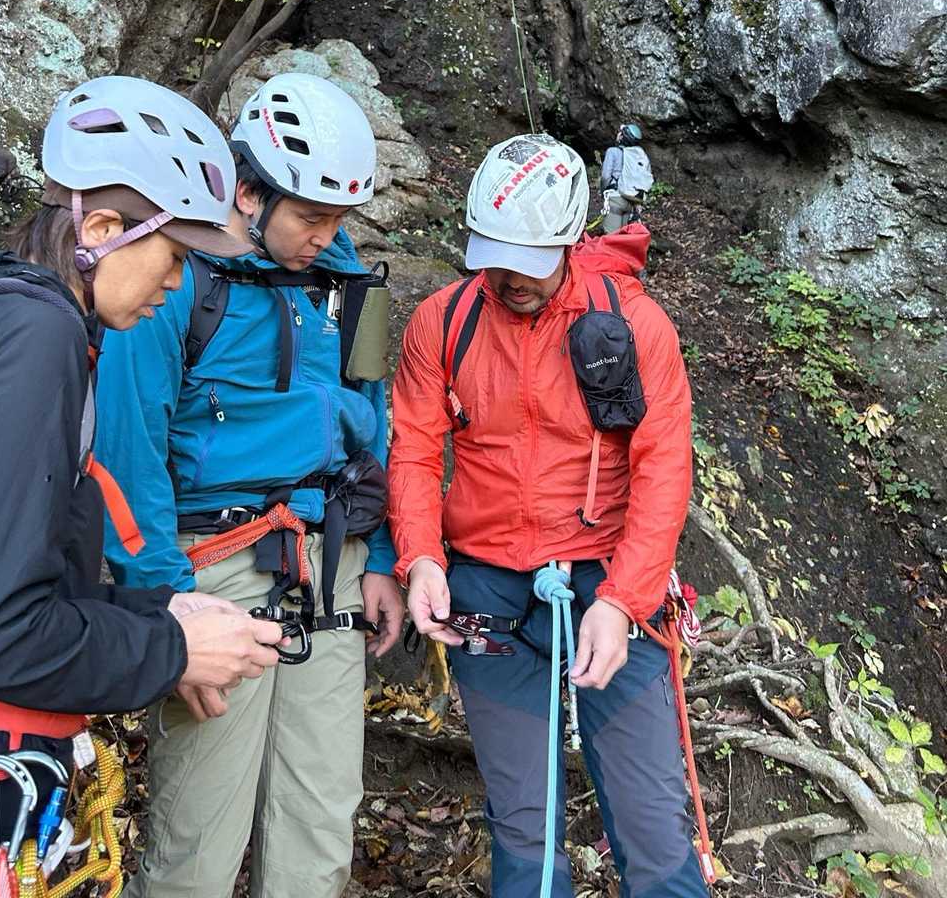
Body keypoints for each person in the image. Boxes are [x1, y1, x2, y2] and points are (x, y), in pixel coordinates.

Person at [0, 75, 287, 896]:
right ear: (100, 229)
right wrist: (173, 651)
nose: (178, 284)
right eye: (175, 256)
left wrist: (160, 612)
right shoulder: (35, 337)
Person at [93, 71, 405, 898]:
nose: (326, 236)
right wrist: (166, 603)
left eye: (339, 218)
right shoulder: (175, 278)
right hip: (213, 562)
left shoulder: (346, 280)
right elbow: (126, 450)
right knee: (197, 839)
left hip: (329, 556)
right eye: (311, 216)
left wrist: (380, 557)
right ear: (248, 192)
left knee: (320, 823)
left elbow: (374, 420)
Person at [388, 133, 708, 898]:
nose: (509, 278)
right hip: (486, 589)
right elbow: (414, 450)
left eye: (528, 260)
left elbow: (663, 470)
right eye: (494, 257)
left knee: (653, 825)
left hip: (608, 578)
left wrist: (623, 602)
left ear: (568, 240)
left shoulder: (634, 326)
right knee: (524, 829)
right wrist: (422, 557)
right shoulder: (444, 322)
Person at [600, 122, 654, 233]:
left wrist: (603, 191)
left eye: (620, 133)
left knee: (611, 237)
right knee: (622, 237)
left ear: (622, 137)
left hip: (615, 198)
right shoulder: (638, 156)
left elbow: (605, 176)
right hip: (629, 201)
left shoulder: (613, 151)